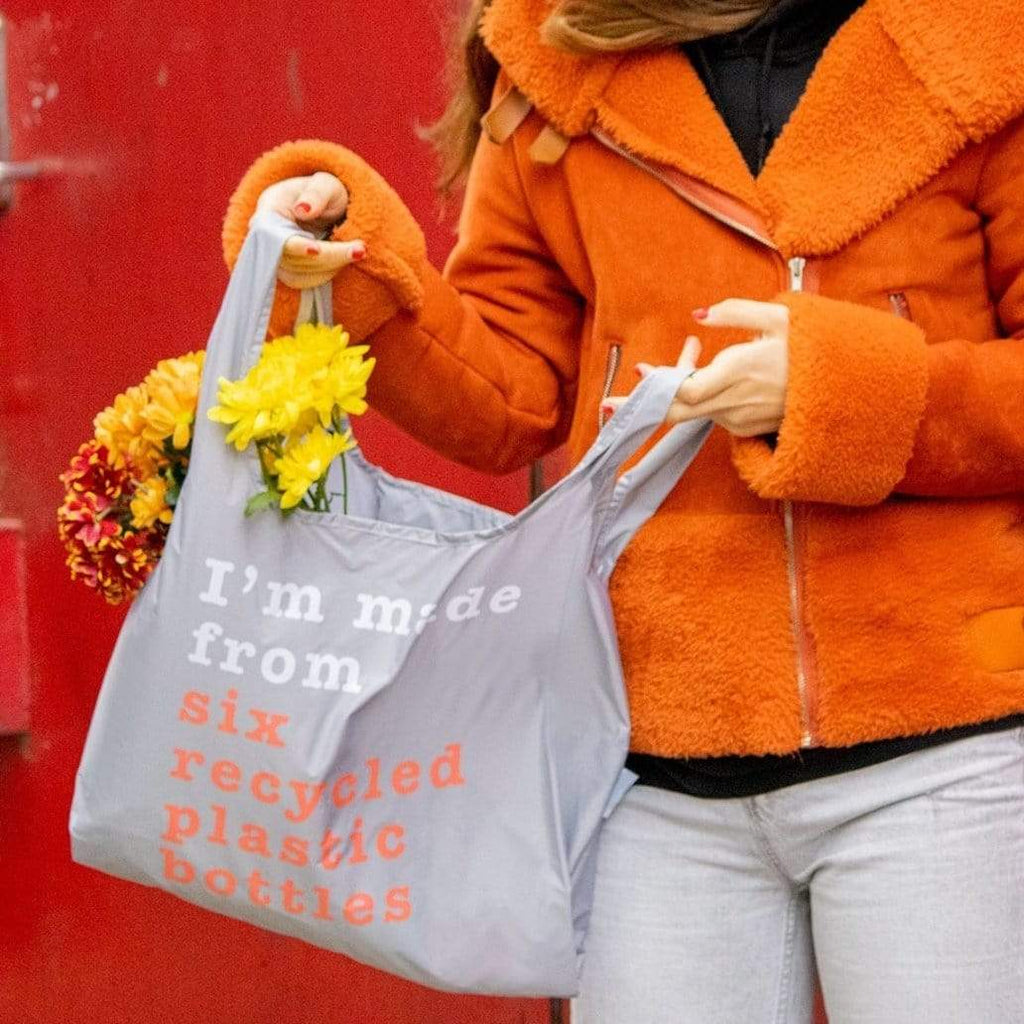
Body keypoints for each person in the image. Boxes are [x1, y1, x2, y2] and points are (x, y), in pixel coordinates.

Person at [221, 0, 1024, 1019]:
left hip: (943, 742)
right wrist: (351, 264)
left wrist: (838, 393)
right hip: (651, 763)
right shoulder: (557, 52)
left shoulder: (981, 44)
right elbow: (508, 395)